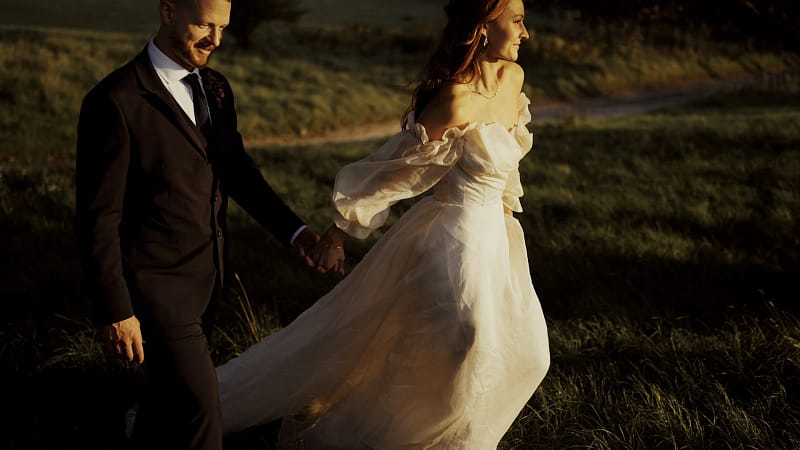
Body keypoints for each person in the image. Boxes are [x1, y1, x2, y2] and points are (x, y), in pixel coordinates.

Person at [216, 0, 550, 447]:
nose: (526, 32)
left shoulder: (514, 79)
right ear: (483, 29)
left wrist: (509, 225)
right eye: (518, 21)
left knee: (530, 353)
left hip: (498, 234)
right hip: (456, 236)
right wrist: (339, 231)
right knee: (467, 342)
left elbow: (507, 166)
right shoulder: (454, 99)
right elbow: (395, 172)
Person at [74, 0, 325, 448]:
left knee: (164, 411)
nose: (216, 39)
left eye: (223, 27)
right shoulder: (115, 101)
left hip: (207, 283)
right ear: (167, 11)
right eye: (204, 24)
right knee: (201, 411)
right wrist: (116, 309)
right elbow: (98, 218)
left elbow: (239, 174)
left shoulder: (216, 88)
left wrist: (296, 231)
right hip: (153, 291)